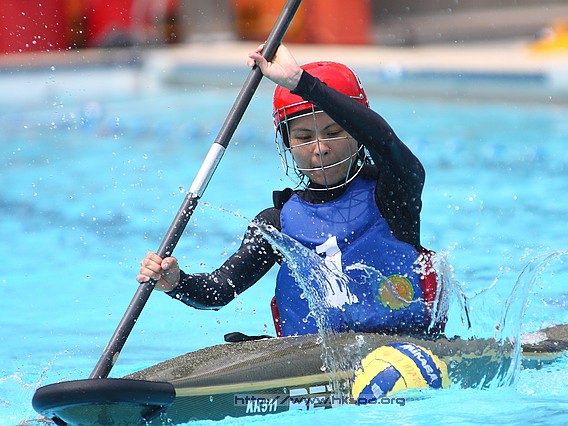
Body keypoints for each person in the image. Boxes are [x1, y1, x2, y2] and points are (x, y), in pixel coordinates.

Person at [137, 45, 445, 337]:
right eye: (303, 137)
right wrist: (176, 282)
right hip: (313, 362)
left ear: (358, 134)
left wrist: (302, 84)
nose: (320, 148)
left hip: (404, 352)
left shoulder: (394, 194)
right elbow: (218, 292)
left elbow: (386, 142)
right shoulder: (277, 224)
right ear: (288, 145)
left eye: (334, 132)